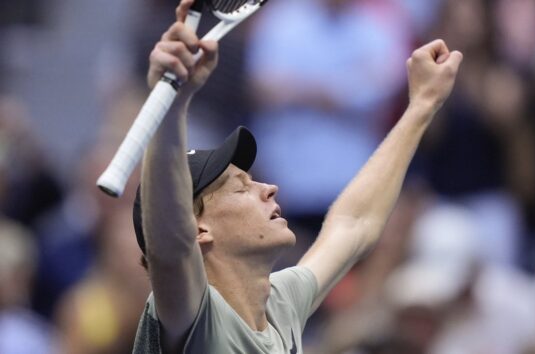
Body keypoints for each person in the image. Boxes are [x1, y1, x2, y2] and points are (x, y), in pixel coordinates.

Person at [130, 0, 462, 353]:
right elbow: (169, 246)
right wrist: (172, 102)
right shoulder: (194, 314)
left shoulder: (280, 303)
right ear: (199, 230)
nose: (269, 189)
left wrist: (422, 105)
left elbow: (353, 223)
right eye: (241, 188)